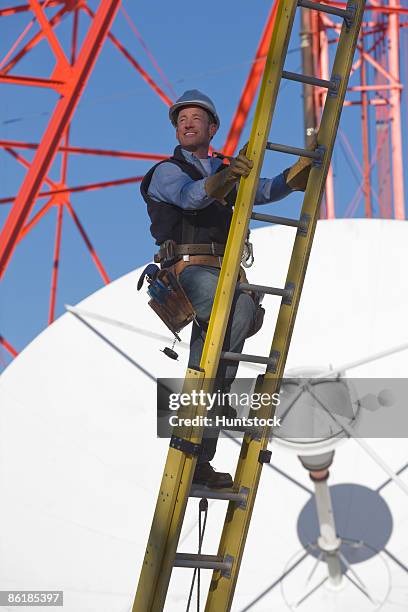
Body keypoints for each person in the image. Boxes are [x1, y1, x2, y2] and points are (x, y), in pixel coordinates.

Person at [140, 90, 311, 488]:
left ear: (211, 128)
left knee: (227, 331)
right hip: (188, 272)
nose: (187, 124)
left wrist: (292, 176)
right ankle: (218, 396)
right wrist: (230, 175)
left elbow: (261, 192)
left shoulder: (221, 167)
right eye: (181, 120)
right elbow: (191, 198)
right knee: (231, 306)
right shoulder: (167, 171)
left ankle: (198, 454)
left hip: (225, 271)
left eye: (196, 118)